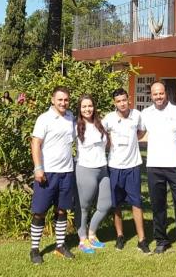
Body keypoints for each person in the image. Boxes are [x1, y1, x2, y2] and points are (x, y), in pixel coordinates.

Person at [141, 82, 176, 259]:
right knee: (158, 206)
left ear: (166, 93)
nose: (158, 97)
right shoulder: (145, 114)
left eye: (161, 93)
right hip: (154, 166)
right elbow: (137, 134)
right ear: (151, 95)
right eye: (155, 94)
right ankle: (161, 241)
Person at [29, 86, 76, 264]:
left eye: (66, 100)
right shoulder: (44, 119)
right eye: (60, 100)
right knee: (40, 211)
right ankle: (34, 250)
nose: (63, 103)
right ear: (52, 100)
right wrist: (38, 168)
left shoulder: (70, 117)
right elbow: (35, 144)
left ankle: (60, 246)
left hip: (67, 172)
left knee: (62, 210)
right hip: (47, 172)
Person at [103, 88, 151, 254]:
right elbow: (101, 133)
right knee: (116, 204)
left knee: (136, 203)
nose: (122, 103)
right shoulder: (109, 118)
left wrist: (133, 141)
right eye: (118, 101)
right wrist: (109, 144)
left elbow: (142, 131)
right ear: (114, 103)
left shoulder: (137, 115)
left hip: (133, 166)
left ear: (128, 99)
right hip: (115, 167)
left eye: (124, 100)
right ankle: (120, 236)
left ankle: (142, 240)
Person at [74, 95, 112, 254]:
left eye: (90, 106)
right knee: (84, 207)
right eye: (84, 107)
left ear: (94, 107)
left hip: (103, 169)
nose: (87, 109)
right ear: (79, 109)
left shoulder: (100, 124)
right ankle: (82, 239)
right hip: (85, 169)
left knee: (106, 204)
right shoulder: (75, 126)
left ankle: (92, 233)